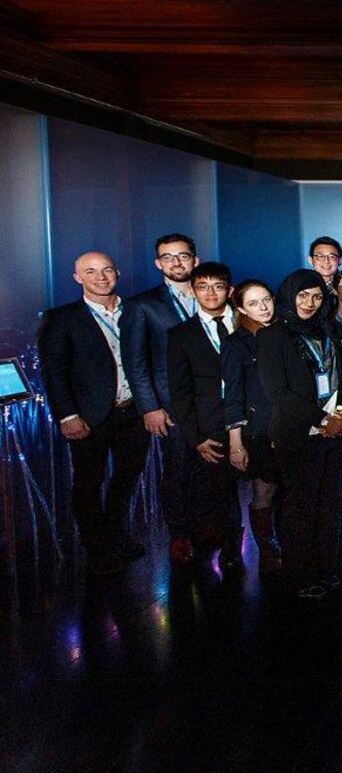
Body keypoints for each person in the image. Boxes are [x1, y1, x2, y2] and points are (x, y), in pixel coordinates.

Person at [37, 251, 150, 575]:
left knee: (127, 477)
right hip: (89, 415)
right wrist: (68, 416)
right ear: (77, 278)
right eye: (90, 271)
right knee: (88, 483)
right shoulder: (61, 318)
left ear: (117, 273)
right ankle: (97, 549)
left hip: (134, 412)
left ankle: (113, 535)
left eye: (106, 270)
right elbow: (54, 372)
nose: (100, 277)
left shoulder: (137, 310)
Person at [257, 270, 342, 600]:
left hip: (335, 432)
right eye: (302, 295)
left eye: (316, 296)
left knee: (330, 505)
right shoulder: (272, 336)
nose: (309, 303)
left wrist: (341, 414)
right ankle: (300, 575)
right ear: (289, 295)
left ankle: (327, 569)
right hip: (298, 434)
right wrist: (322, 419)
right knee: (301, 507)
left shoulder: (329, 329)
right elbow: (278, 392)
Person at [119, 232, 201, 566]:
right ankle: (179, 534)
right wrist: (149, 407)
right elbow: (135, 362)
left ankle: (207, 525)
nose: (176, 262)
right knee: (178, 467)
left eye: (183, 256)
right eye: (168, 257)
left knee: (211, 467)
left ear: (195, 259)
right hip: (170, 403)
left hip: (214, 400)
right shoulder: (142, 305)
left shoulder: (213, 293)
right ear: (158, 263)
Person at [167, 261, 244, 571]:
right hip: (211, 425)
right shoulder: (180, 335)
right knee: (219, 490)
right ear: (193, 291)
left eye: (218, 286)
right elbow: (180, 392)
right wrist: (195, 437)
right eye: (203, 286)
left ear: (230, 290)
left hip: (253, 420)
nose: (211, 293)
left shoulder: (248, 323)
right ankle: (230, 545)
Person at [222, 278, 282, 578]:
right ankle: (267, 548)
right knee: (264, 490)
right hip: (258, 429)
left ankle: (287, 544)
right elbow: (232, 394)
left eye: (266, 299)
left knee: (288, 490)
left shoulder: (285, 333)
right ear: (242, 309)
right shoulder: (236, 343)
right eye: (254, 303)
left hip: (290, 426)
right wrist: (236, 442)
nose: (263, 307)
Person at [308, 235, 342, 317]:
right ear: (311, 260)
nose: (326, 261)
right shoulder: (300, 283)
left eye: (332, 256)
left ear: (340, 261)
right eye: (320, 256)